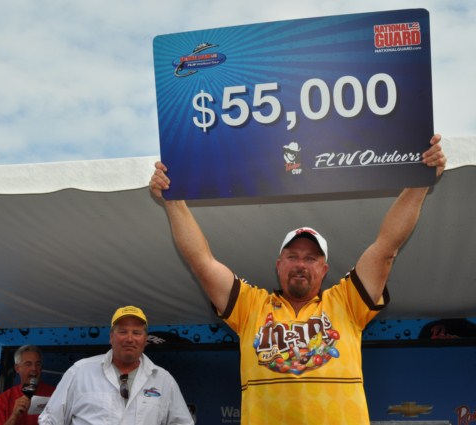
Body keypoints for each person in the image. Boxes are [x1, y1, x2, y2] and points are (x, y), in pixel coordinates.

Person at [148, 135, 446, 425]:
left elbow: (385, 249)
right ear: (279, 266)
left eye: (311, 258)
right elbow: (202, 264)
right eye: (292, 256)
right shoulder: (250, 306)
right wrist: (174, 202)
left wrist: (419, 183)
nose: (301, 264)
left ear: (324, 269)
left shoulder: (347, 301)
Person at [39, 305, 194, 425]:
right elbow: (49, 420)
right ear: (111, 337)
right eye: (122, 332)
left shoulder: (163, 379)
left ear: (145, 339)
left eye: (136, 333)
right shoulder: (80, 372)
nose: (129, 339)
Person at [0, 345, 56, 425]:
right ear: (17, 368)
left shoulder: (55, 394)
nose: (34, 368)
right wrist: (14, 416)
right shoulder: (3, 399)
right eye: (28, 364)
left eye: (38, 364)